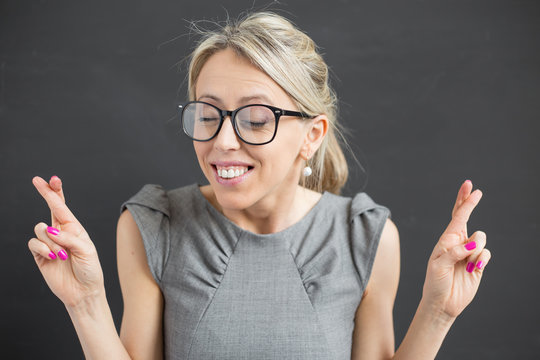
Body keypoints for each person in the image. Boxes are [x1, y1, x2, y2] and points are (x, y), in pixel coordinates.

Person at [28, 11, 491, 360]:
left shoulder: (365, 238)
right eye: (208, 116)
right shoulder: (153, 226)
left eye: (254, 119)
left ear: (312, 136)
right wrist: (86, 302)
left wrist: (437, 312)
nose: (222, 142)